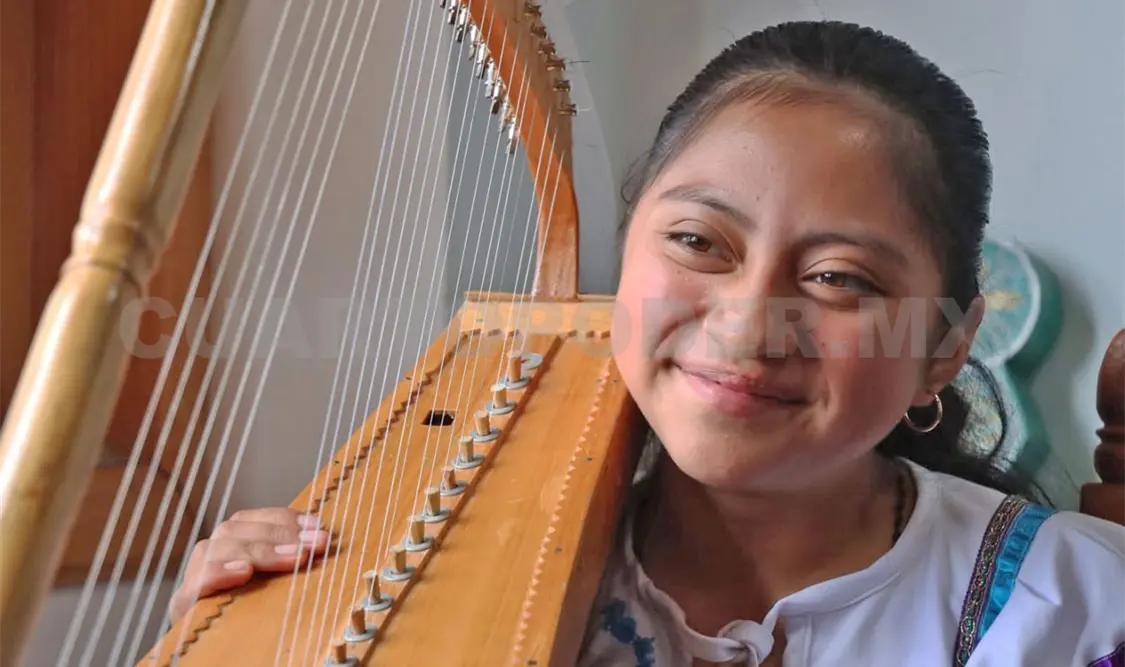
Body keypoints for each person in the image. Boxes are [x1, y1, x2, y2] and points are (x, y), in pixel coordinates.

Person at [168, 20, 1125, 666]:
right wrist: (232, 632)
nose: (748, 322)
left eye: (837, 276)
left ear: (944, 349)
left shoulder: (1073, 608)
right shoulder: (436, 579)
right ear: (623, 260)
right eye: (698, 243)